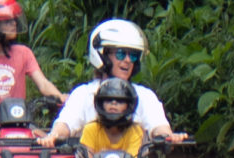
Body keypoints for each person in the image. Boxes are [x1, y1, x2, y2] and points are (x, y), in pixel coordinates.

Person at [51, 17, 183, 146]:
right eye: (121, 53)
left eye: (133, 55)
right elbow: (65, 123)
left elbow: (159, 125)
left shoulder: (144, 96)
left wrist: (167, 136)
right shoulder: (83, 94)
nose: (128, 60)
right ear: (102, 55)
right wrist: (55, 135)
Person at [71, 75, 149, 158]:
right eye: (108, 100)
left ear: (129, 105)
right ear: (100, 103)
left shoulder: (135, 131)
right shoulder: (90, 129)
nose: (113, 103)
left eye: (120, 101)